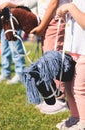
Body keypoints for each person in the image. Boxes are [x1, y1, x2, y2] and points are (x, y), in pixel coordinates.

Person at [30, 0, 71, 114]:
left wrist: (41, 26)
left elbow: (54, 2)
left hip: (55, 20)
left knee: (54, 59)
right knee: (48, 59)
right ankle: (52, 97)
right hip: (48, 20)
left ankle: (60, 100)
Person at [54, 0, 85, 129]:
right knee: (67, 86)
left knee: (79, 89)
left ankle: (83, 121)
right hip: (72, 52)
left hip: (84, 52)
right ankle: (75, 116)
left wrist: (70, 8)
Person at [0, 0, 34, 84]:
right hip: (4, 25)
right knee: (4, 50)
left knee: (15, 48)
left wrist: (11, 4)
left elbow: (25, 5)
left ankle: (20, 73)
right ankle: (5, 73)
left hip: (14, 23)